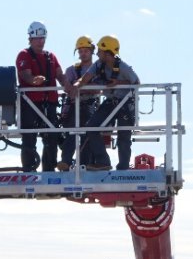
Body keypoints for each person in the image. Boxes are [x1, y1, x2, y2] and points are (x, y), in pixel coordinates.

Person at [80, 35, 140, 171]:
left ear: (107, 53)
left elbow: (136, 82)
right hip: (111, 102)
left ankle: (123, 168)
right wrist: (76, 86)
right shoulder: (98, 65)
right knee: (92, 127)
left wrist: (118, 83)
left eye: (100, 51)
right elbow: (85, 78)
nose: (97, 53)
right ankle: (103, 162)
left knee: (124, 136)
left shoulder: (123, 67)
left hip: (125, 104)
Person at [15, 22, 68, 172]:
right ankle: (29, 170)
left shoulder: (51, 57)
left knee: (51, 138)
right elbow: (25, 74)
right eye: (38, 38)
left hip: (49, 103)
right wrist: (33, 80)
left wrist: (68, 86)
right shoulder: (24, 55)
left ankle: (49, 171)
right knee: (29, 138)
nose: (41, 41)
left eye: (43, 38)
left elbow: (60, 75)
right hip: (30, 104)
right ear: (30, 39)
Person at [57, 36, 98, 172]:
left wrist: (81, 88)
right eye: (80, 51)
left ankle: (84, 165)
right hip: (74, 107)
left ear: (92, 51)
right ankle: (66, 162)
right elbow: (66, 87)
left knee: (88, 135)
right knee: (71, 133)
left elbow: (99, 88)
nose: (83, 53)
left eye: (86, 50)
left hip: (90, 106)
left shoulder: (98, 68)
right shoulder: (71, 70)